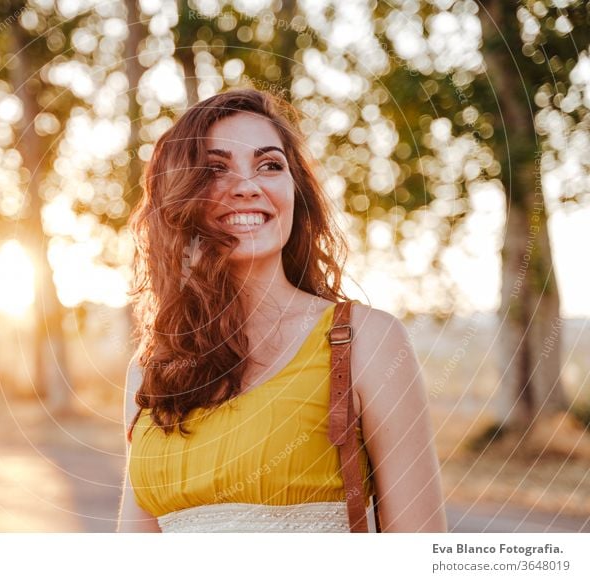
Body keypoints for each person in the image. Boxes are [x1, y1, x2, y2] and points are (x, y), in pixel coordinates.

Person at [116, 88, 447, 533]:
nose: (249, 187)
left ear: (296, 192)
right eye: (215, 169)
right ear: (179, 198)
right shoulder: (152, 369)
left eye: (269, 165)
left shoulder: (367, 340)